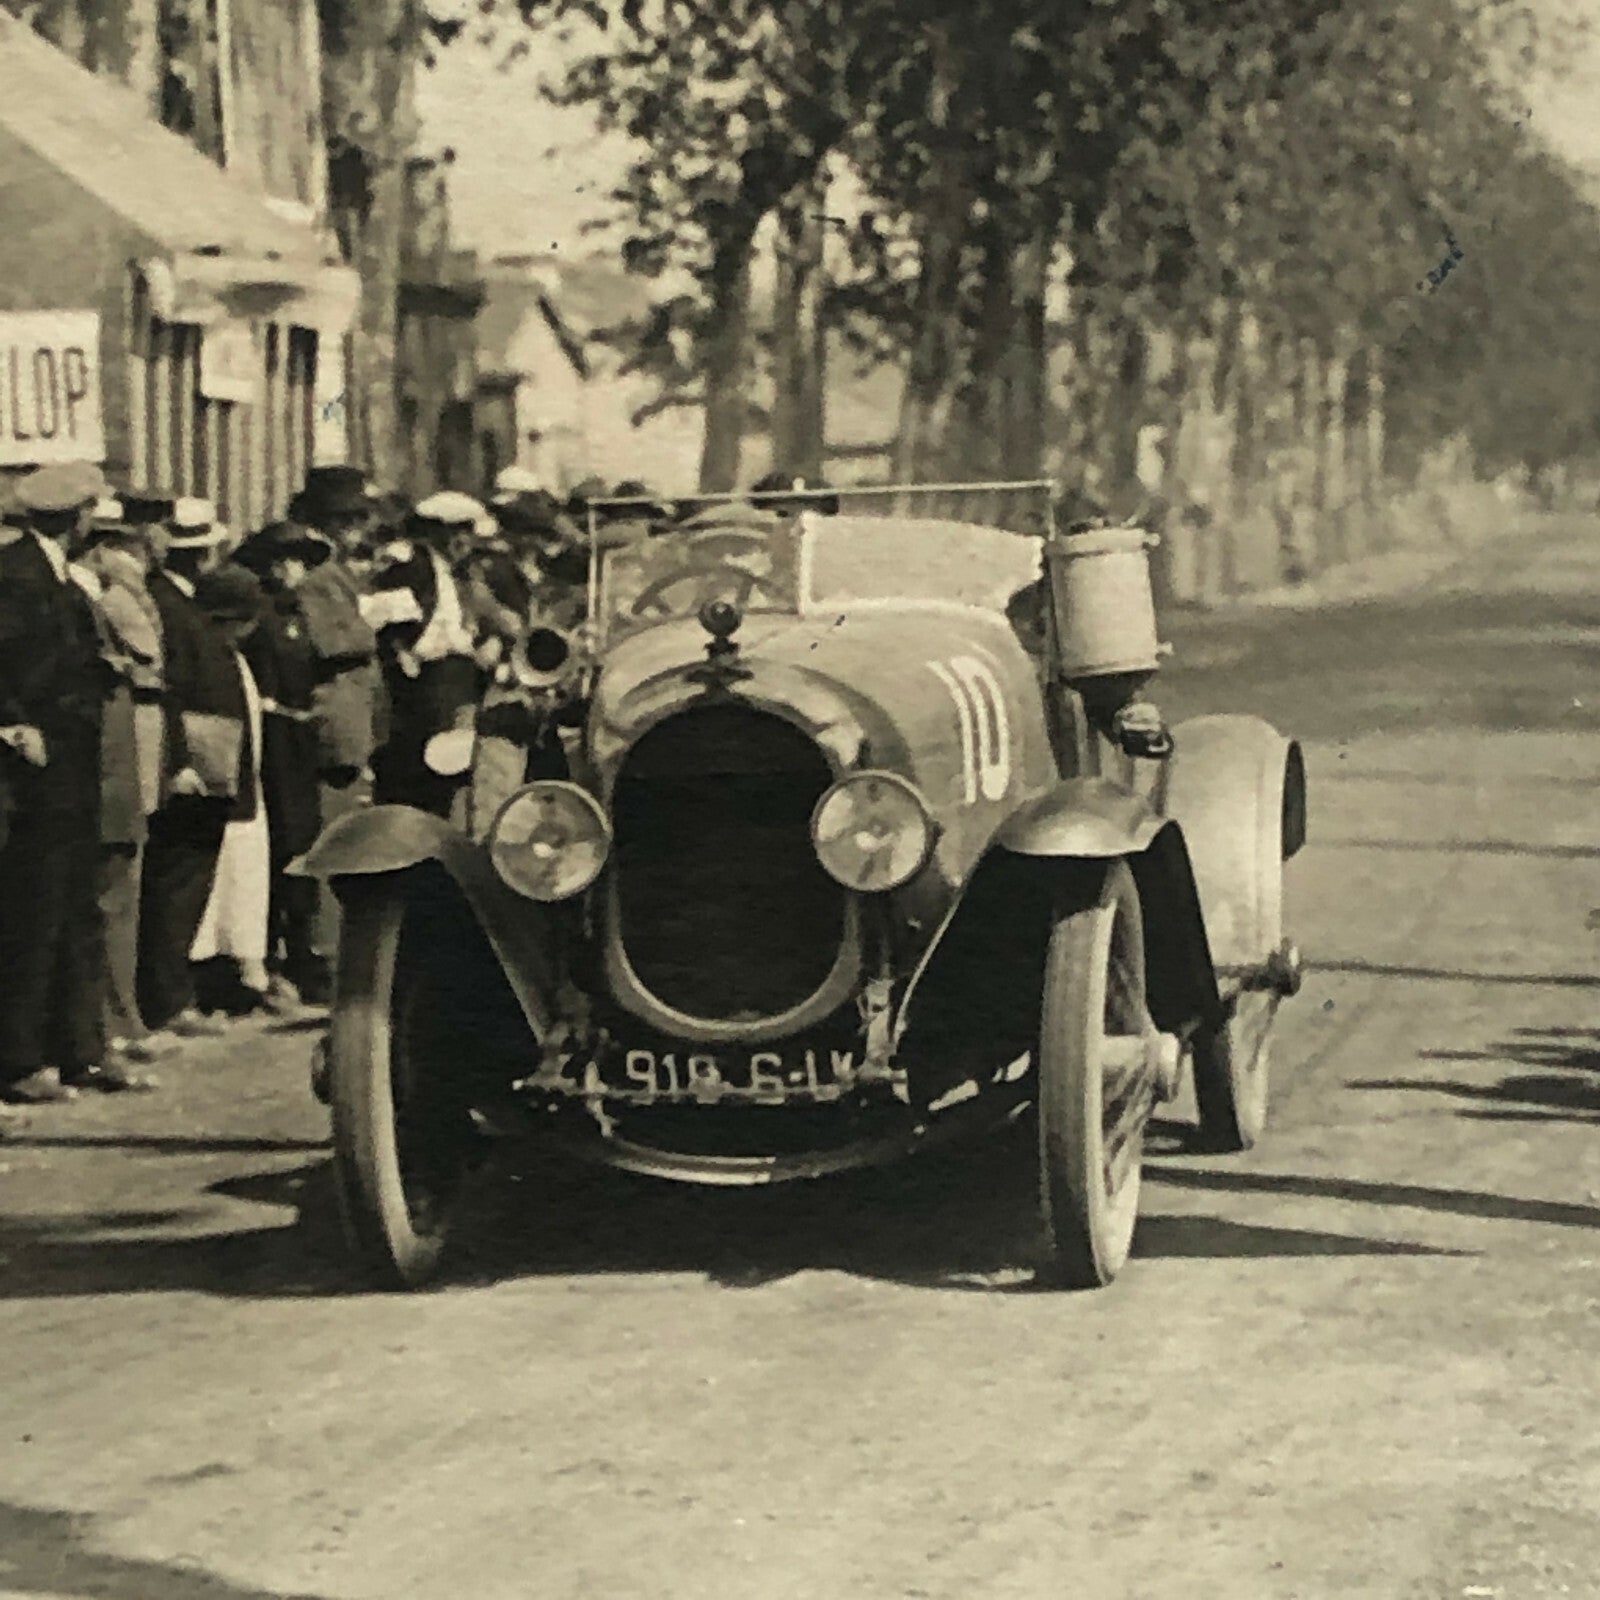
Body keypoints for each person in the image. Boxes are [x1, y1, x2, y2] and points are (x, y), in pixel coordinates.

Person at [0, 462, 114, 1105]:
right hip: (36, 764)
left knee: (75, 905)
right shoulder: (16, 575)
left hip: (73, 759)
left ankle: (80, 1050)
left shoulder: (60, 575)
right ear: (79, 516)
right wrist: (14, 722)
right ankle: (20, 1059)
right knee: (34, 909)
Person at [137, 498, 244, 1040]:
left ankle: (173, 992)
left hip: (209, 755)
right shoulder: (169, 606)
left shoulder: (183, 602)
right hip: (192, 762)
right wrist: (178, 760)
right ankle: (168, 999)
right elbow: (172, 688)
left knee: (190, 879)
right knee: (177, 881)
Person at [75, 498, 171, 1076]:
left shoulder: (111, 596)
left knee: (120, 891)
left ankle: (119, 1017)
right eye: (115, 542)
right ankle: (112, 1022)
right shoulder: (103, 600)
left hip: (123, 765)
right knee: (110, 895)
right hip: (105, 772)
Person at [286, 466, 385, 985]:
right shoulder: (320, 578)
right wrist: (376, 625)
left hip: (355, 719)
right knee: (333, 833)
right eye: (349, 520)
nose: (357, 530)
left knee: (348, 828)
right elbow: (330, 641)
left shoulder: (340, 573)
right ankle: (323, 951)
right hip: (337, 721)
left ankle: (333, 945)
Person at [234, 522, 327, 1007]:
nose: (296, 571)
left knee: (304, 841)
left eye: (301, 562)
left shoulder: (301, 615)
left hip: (301, 742)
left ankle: (302, 952)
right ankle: (267, 956)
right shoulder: (261, 619)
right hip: (272, 742)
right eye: (288, 561)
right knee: (278, 843)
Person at [365, 491, 490, 818]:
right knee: (418, 766)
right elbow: (386, 625)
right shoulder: (410, 567)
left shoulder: (462, 574)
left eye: (467, 532)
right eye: (456, 533)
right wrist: (402, 654)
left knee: (454, 765)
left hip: (458, 680)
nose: (464, 542)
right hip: (423, 682)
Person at [188, 564, 273, 1011]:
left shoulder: (233, 660)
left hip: (244, 789)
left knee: (241, 881)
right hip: (223, 787)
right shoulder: (211, 658)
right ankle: (217, 975)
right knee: (220, 885)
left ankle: (244, 967)